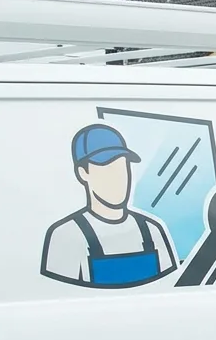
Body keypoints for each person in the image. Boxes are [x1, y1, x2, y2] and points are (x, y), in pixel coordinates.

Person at [41, 123, 178, 289]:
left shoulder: (152, 230)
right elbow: (60, 297)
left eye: (122, 167)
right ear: (83, 173)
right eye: (107, 168)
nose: (118, 178)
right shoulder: (67, 235)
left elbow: (171, 288)